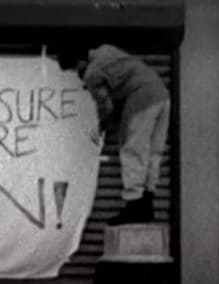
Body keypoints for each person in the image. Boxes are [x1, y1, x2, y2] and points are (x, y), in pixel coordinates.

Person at [62, 44, 170, 226]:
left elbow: (106, 107)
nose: (76, 73)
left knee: (132, 150)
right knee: (152, 153)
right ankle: (147, 204)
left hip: (141, 100)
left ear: (79, 61)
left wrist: (101, 127)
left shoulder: (92, 73)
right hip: (162, 96)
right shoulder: (107, 50)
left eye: (74, 68)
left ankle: (134, 204)